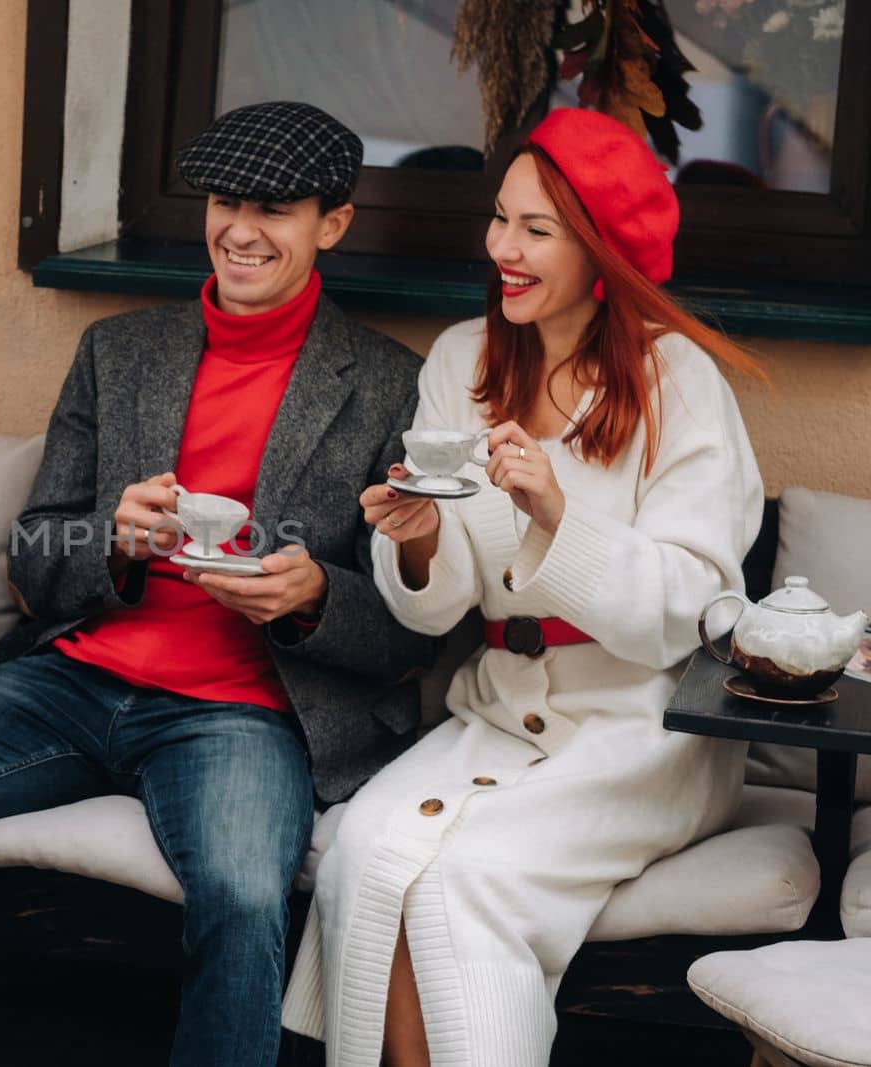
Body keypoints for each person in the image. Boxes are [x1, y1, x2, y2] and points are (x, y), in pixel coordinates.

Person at [0, 101, 435, 1067]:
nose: (241, 229)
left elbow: (412, 628)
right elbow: (33, 552)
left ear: (335, 222)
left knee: (242, 899)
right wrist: (109, 541)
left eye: (275, 209)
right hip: (68, 681)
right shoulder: (120, 352)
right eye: (227, 201)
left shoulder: (393, 385)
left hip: (240, 711)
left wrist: (315, 595)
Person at [279, 108, 767, 1066]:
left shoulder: (680, 382)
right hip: (496, 711)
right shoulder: (464, 359)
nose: (502, 248)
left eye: (536, 230)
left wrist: (556, 514)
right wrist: (415, 544)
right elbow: (436, 604)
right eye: (499, 219)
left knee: (462, 879)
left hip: (642, 731)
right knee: (365, 857)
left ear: (601, 250)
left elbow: (691, 608)